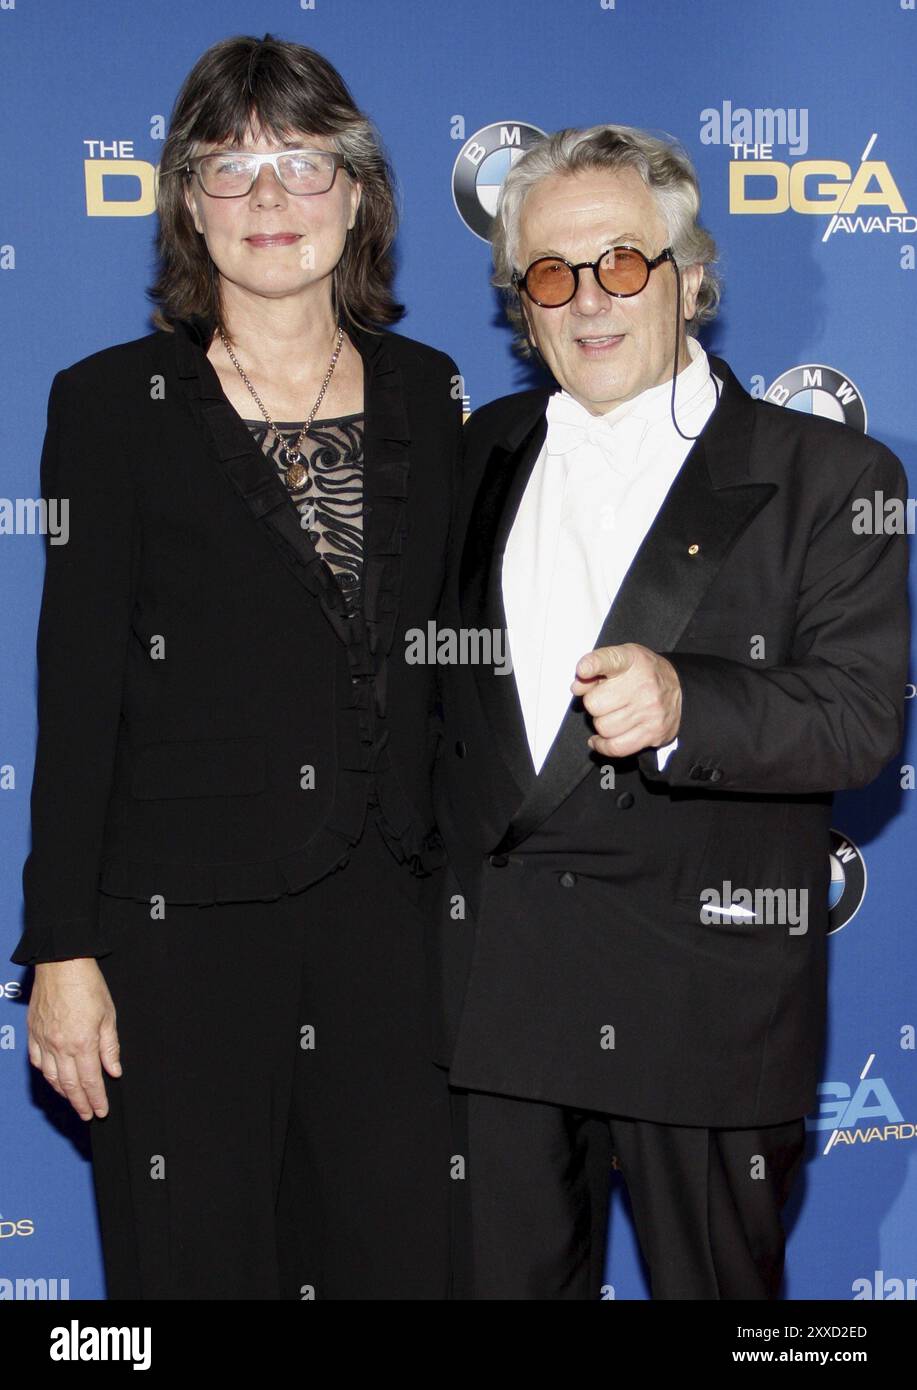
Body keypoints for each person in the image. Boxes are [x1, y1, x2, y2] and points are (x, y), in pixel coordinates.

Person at [11, 34, 462, 1300]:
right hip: (180, 939)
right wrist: (60, 950)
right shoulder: (108, 405)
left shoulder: (433, 394)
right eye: (232, 167)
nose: (271, 200)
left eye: (304, 163)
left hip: (393, 929)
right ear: (186, 204)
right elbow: (77, 685)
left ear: (360, 193)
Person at [430, 123, 910, 1300]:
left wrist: (693, 700)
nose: (587, 298)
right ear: (520, 307)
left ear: (689, 276)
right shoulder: (475, 453)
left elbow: (859, 722)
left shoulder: (829, 478)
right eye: (550, 273)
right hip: (499, 1010)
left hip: (702, 1009)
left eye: (621, 263)